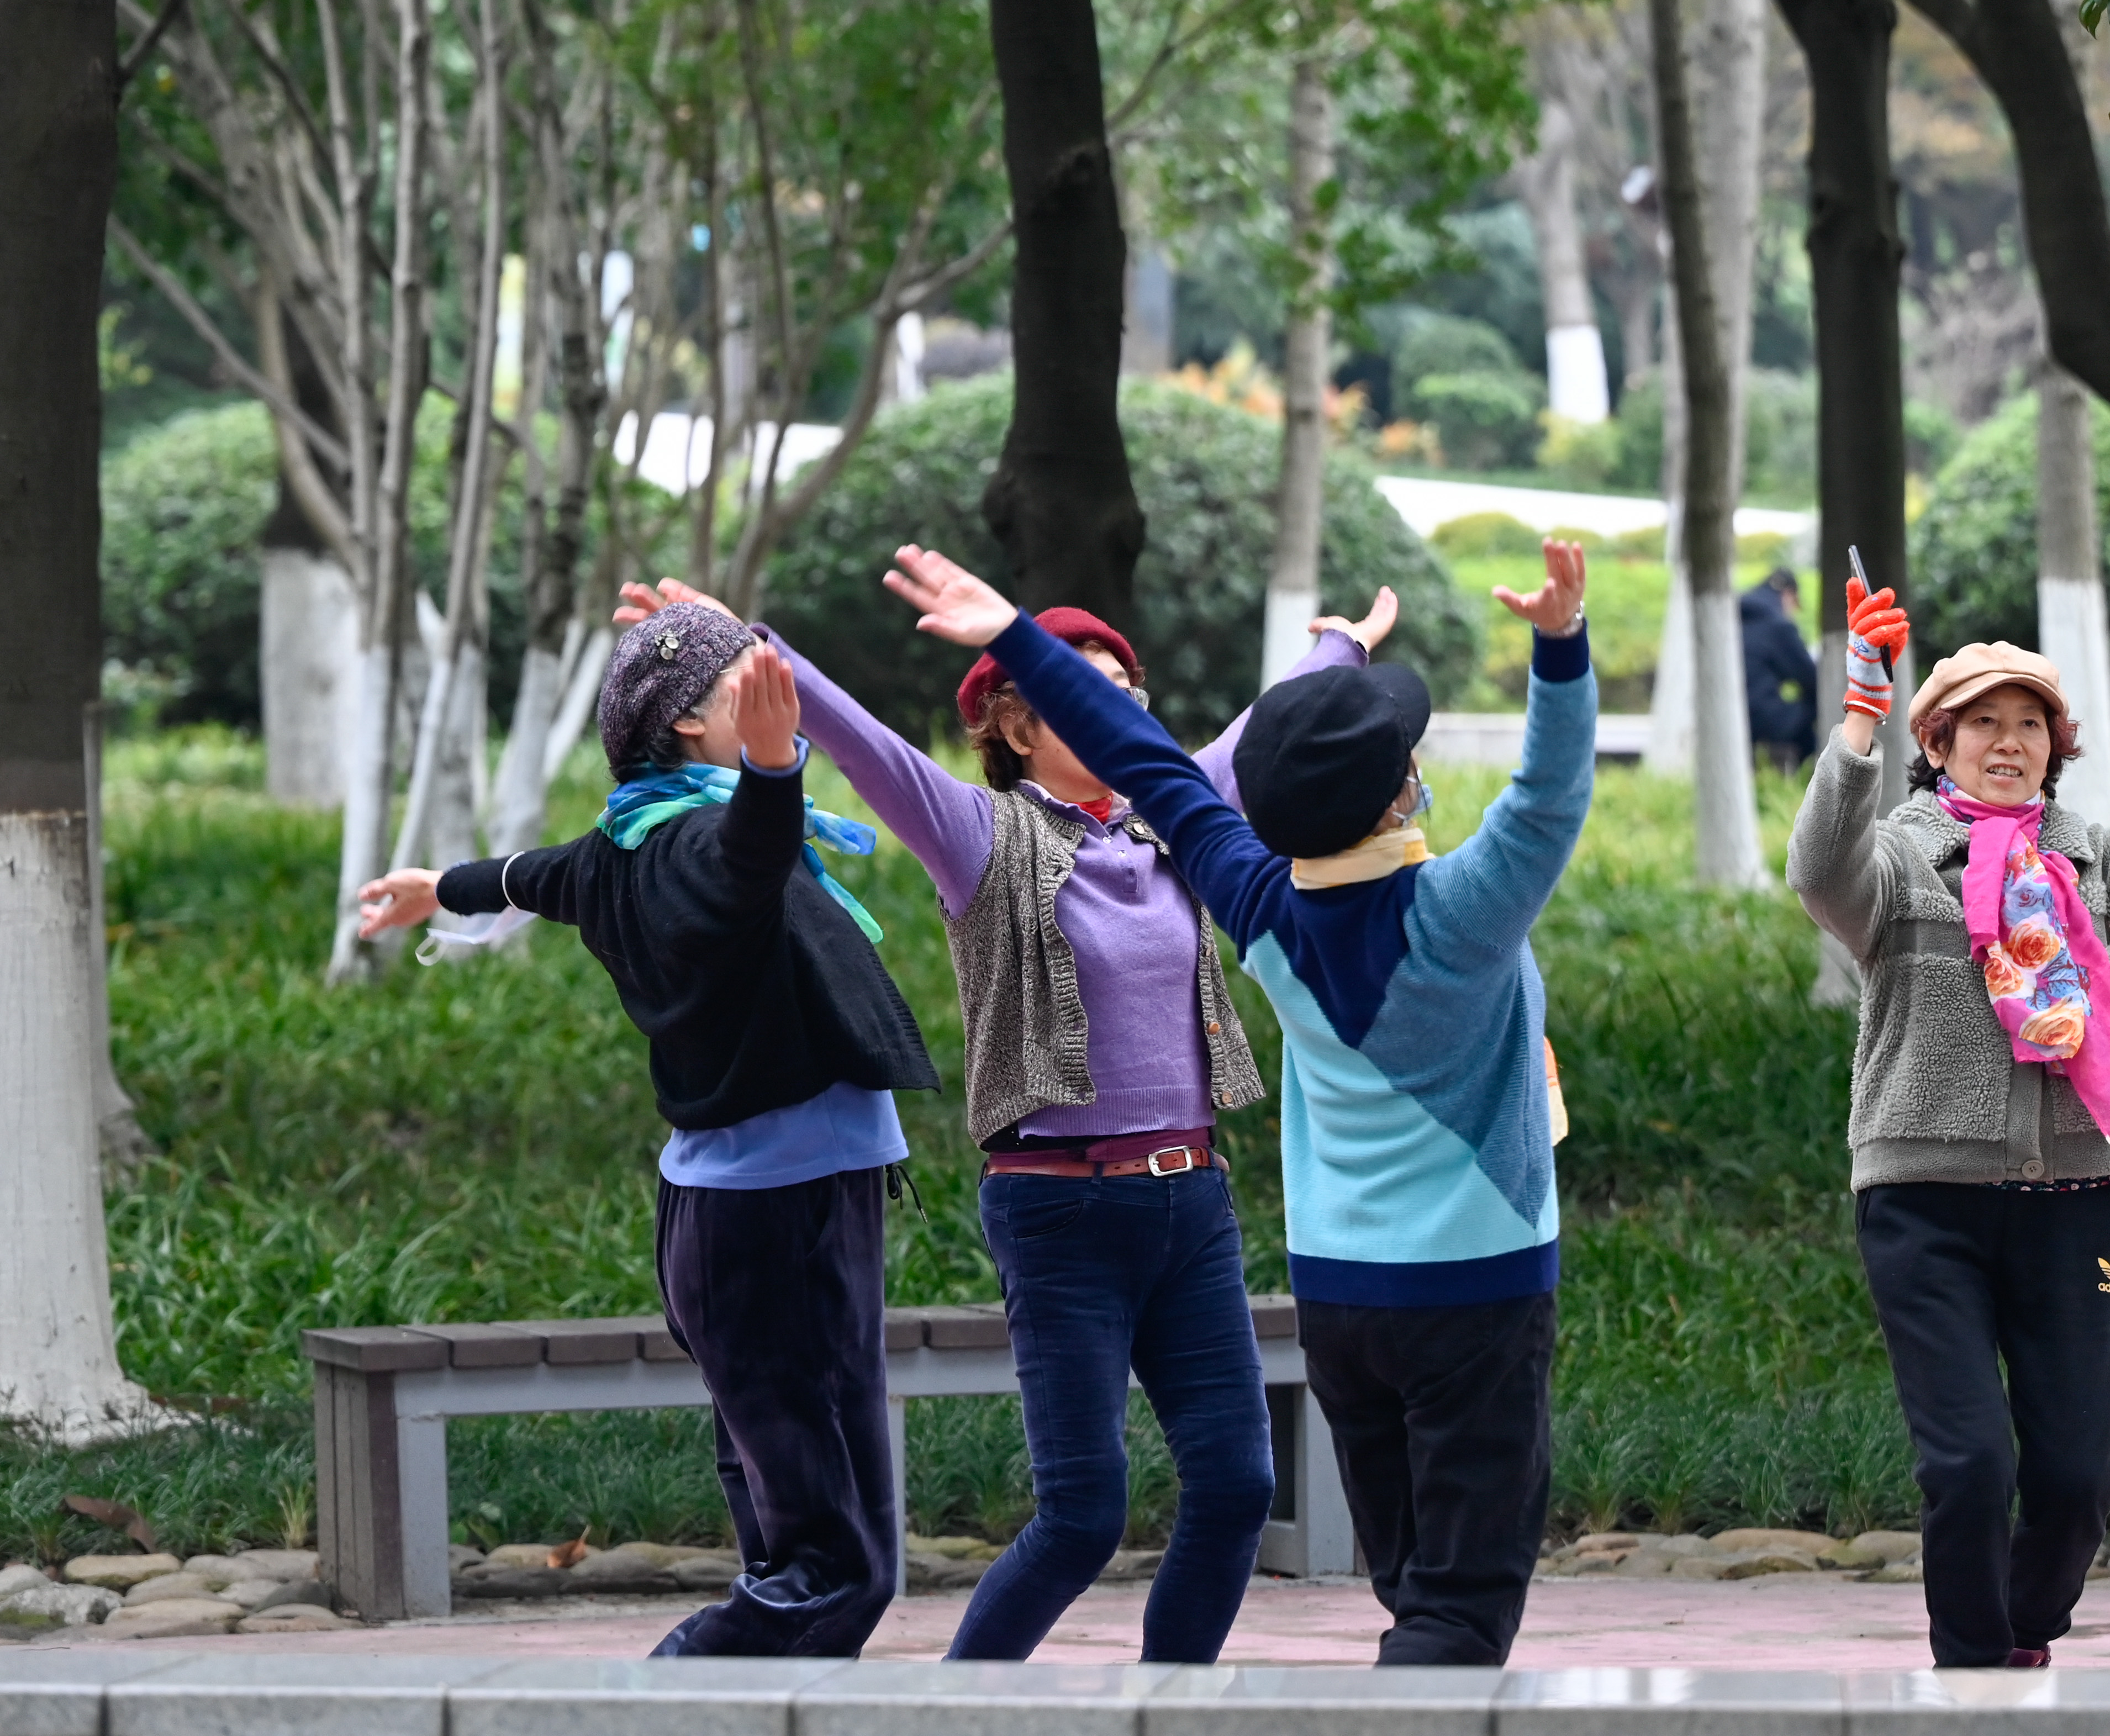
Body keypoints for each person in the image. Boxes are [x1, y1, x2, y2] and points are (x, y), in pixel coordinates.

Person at [606, 577, 1393, 1663]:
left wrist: (1341, 649)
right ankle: (963, 1709)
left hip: (1191, 1202)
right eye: (1087, 694)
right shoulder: (980, 834)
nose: (1123, 714)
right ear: (1016, 726)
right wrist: (750, 639)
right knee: (1083, 1516)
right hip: (1061, 1210)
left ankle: (1168, 1708)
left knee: (1236, 1484)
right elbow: (873, 749)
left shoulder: (1174, 822)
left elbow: (1260, 735)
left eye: (1128, 693)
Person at [880, 532, 1597, 1670]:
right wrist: (1559, 649)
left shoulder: (1262, 911)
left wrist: (1020, 637)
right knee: (1458, 1613)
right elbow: (1551, 795)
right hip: (1476, 1298)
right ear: (1406, 787)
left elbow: (1152, 766)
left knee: (1416, 1592)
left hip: (1342, 1307)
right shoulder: (1465, 913)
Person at [354, 605, 936, 1658]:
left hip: (778, 1206)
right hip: (771, 1216)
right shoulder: (690, 843)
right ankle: (668, 1690)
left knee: (808, 1545)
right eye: (740, 693)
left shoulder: (626, 836)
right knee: (837, 1566)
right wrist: (770, 774)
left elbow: (533, 874)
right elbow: (739, 878)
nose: (771, 697)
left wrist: (440, 887)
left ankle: (747, 1697)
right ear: (687, 729)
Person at [1787, 558, 2110, 1670]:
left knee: (2072, 1480)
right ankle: (1968, 1667)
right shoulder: (1903, 860)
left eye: (2031, 725)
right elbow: (1819, 868)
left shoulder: (2092, 863)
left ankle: (2019, 1632)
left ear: (2059, 746)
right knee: (1966, 1466)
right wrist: (1857, 717)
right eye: (1980, 725)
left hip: (2075, 1203)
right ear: (1939, 745)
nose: (2009, 743)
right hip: (1926, 1206)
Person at [1743, 563, 1818, 769]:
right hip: (1761, 720)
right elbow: (1810, 677)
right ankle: (1808, 779)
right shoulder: (1776, 624)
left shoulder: (1736, 617)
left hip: (1732, 714)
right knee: (1816, 701)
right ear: (1789, 594)